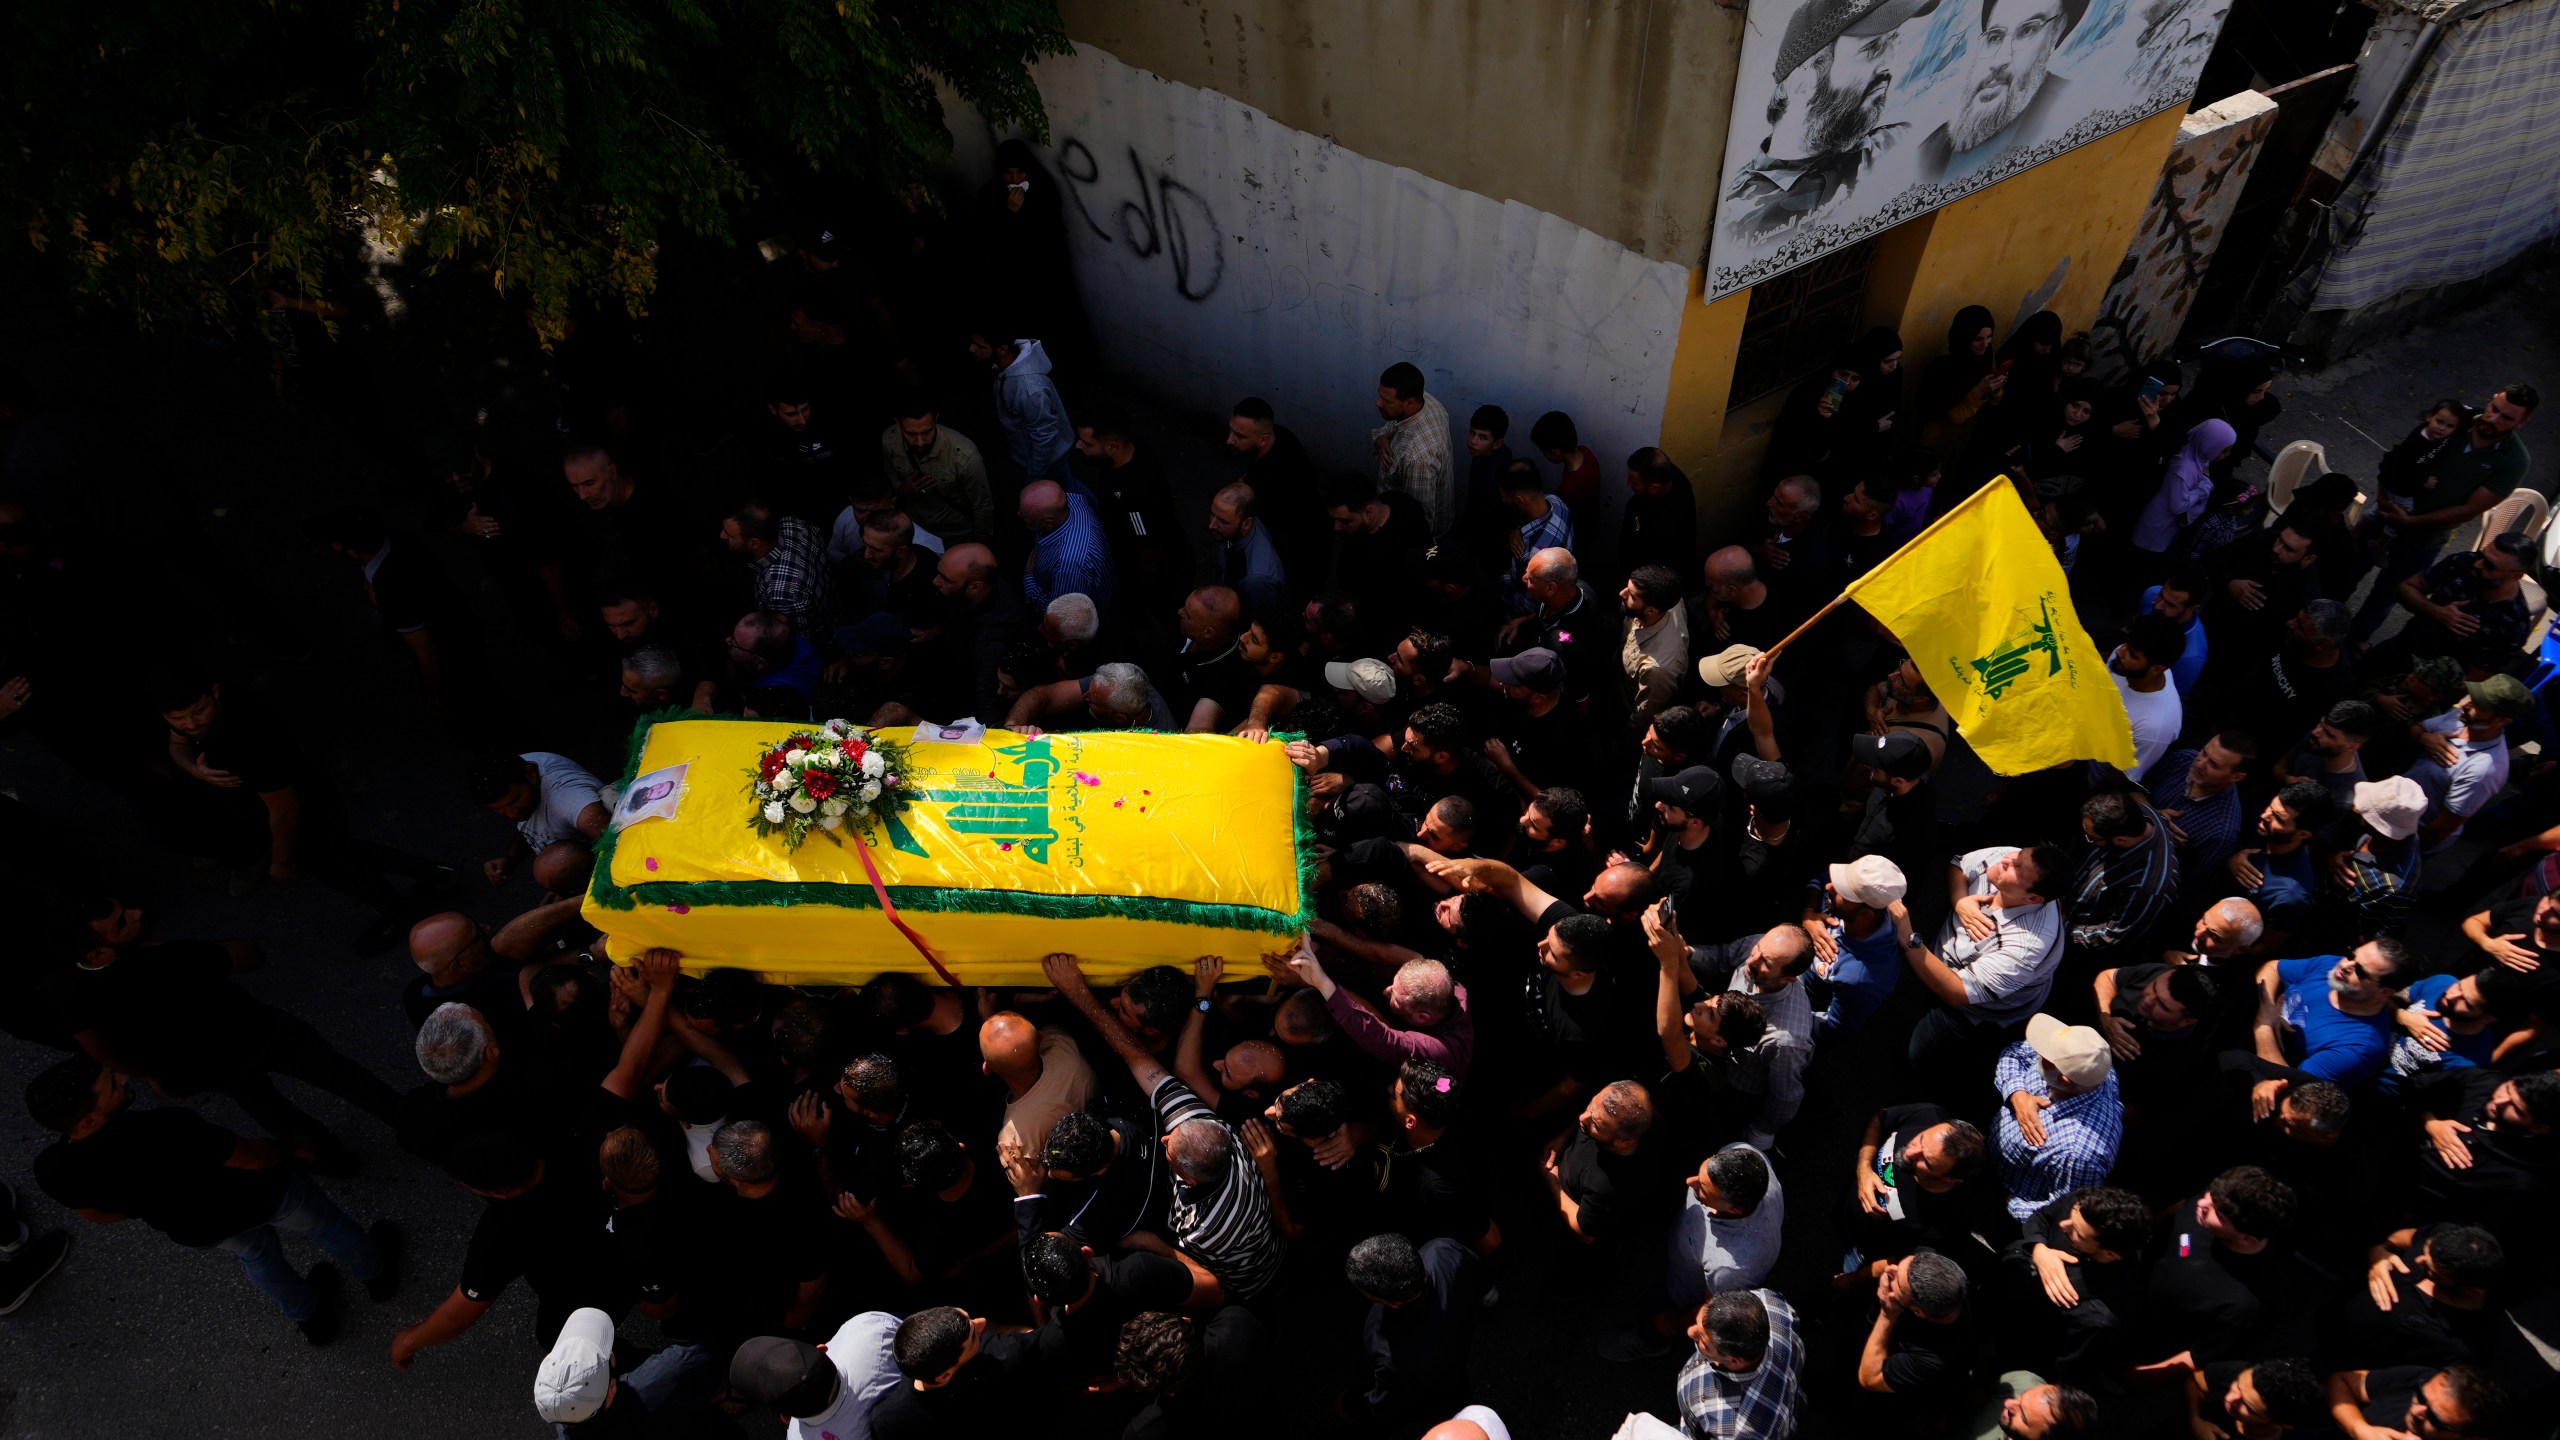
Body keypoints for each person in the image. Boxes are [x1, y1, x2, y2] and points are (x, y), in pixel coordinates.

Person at [26, 1055, 400, 1345]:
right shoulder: (166, 1129)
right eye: (110, 1084)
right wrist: (293, 1148)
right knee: (326, 1225)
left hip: (199, 1227)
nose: (123, 1078)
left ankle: (313, 1319)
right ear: (88, 1121)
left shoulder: (53, 1169)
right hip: (261, 1194)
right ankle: (377, 1275)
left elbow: (96, 1214)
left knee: (257, 1256)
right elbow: (252, 1157)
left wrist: (148, 1201)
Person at [1042, 954, 1283, 1305]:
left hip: (1242, 1287)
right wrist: (1077, 993)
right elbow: (1137, 1057)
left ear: (1190, 1180)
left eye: (1168, 1148)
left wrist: (1153, 1245)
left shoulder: (1200, 1231)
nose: (1164, 1136)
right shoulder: (1206, 1124)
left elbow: (1202, 1281)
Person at [1890, 845, 2069, 1100]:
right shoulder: (2012, 859)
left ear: (2032, 899)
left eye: (2017, 868)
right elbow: (1958, 865)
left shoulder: (2026, 947)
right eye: (2017, 857)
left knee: (1922, 1051)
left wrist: (1908, 938)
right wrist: (1960, 900)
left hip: (1970, 1012)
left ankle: (1909, 1087)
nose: (2008, 858)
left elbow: (1956, 993)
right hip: (1947, 965)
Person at [1340, 1232, 1487, 1427]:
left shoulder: (1384, 1341)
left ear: (1392, 1303)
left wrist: (1355, 1406)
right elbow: (1478, 1272)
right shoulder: (1442, 1249)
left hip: (1434, 1383)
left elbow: (1386, 1401)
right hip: (1460, 1343)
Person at [2247, 941, 2417, 1109]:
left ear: (2384, 992)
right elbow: (2273, 968)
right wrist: (2266, 1004)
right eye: (2352, 955)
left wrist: (2263, 1026)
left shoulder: (2360, 1047)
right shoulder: (2331, 966)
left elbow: (2291, 1089)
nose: (2345, 965)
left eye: (2359, 971)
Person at [1993, 1016, 2122, 1222]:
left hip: (2004, 1199)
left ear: (2064, 1080)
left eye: (2045, 1057)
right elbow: (2015, 1053)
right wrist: (2017, 1093)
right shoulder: (2092, 1067)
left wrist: (2010, 1203)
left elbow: (2062, 1211)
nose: (2038, 1054)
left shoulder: (2081, 1155)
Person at [1673, 1289, 1804, 1440]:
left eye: (1703, 1340)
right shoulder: (1771, 1303)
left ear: (1734, 1362)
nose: (1690, 1332)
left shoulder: (1738, 1432)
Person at [879, 391, 995, 544]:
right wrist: (903, 490)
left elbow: (982, 506)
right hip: (915, 530)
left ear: (936, 420)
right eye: (911, 434)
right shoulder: (889, 441)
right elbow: (891, 478)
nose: (919, 442)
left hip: (957, 535)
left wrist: (982, 545)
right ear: (897, 423)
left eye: (926, 432)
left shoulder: (964, 455)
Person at [970, 330, 1074, 483]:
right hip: (1028, 458)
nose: (971, 349)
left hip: (1045, 466)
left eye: (979, 346)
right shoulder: (1003, 366)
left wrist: (1034, 476)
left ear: (1003, 349)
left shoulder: (1028, 389)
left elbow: (1044, 435)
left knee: (1064, 496)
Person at [1373, 362, 1454, 536]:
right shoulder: (1427, 401)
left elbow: (1420, 521)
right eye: (1379, 396)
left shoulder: (1417, 458)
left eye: (1386, 401)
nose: (1378, 403)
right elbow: (1391, 425)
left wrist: (1421, 556)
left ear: (1409, 402)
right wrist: (1380, 438)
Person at [2108, 615, 2187, 778]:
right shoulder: (2123, 659)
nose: (2119, 652)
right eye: (2126, 644)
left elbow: (2122, 776)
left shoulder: (2155, 727)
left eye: (2133, 654)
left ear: (2157, 669)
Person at [1208, 482, 1291, 619]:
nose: (1212, 525)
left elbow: (1255, 619)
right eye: (1212, 514)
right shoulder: (1240, 529)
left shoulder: (1256, 579)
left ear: (1246, 523)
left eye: (1222, 521)